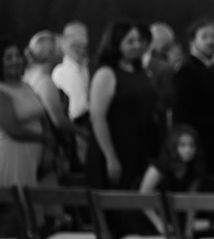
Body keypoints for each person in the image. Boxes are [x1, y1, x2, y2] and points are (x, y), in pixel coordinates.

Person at [86, 21, 158, 191]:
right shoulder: (106, 73)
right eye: (130, 41)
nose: (137, 45)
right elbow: (98, 117)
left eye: (139, 40)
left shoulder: (140, 72)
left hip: (141, 146)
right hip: (117, 146)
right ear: (115, 44)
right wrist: (110, 156)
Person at [172, 19, 214, 175]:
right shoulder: (187, 70)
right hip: (200, 145)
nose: (211, 41)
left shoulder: (213, 68)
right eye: (204, 37)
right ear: (193, 41)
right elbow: (180, 113)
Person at [23, 31, 76, 184]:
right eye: (61, 49)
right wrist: (83, 134)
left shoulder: (29, 76)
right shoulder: (46, 82)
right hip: (47, 151)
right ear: (52, 53)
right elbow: (59, 121)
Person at [0, 36, 49, 190]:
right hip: (14, 155)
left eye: (17, 56)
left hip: (35, 156)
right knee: (20, 205)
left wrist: (48, 144)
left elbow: (42, 115)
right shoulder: (2, 90)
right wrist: (44, 138)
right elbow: (12, 129)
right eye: (8, 57)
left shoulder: (27, 86)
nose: (15, 60)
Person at [51, 20, 91, 168]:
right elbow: (74, 108)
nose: (80, 48)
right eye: (75, 44)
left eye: (82, 44)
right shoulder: (61, 71)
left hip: (87, 126)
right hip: (75, 129)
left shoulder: (88, 67)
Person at [139, 124, 203, 194]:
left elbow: (191, 200)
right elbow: (143, 196)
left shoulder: (194, 171)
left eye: (191, 145)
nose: (188, 150)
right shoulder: (159, 167)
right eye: (182, 145)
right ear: (173, 146)